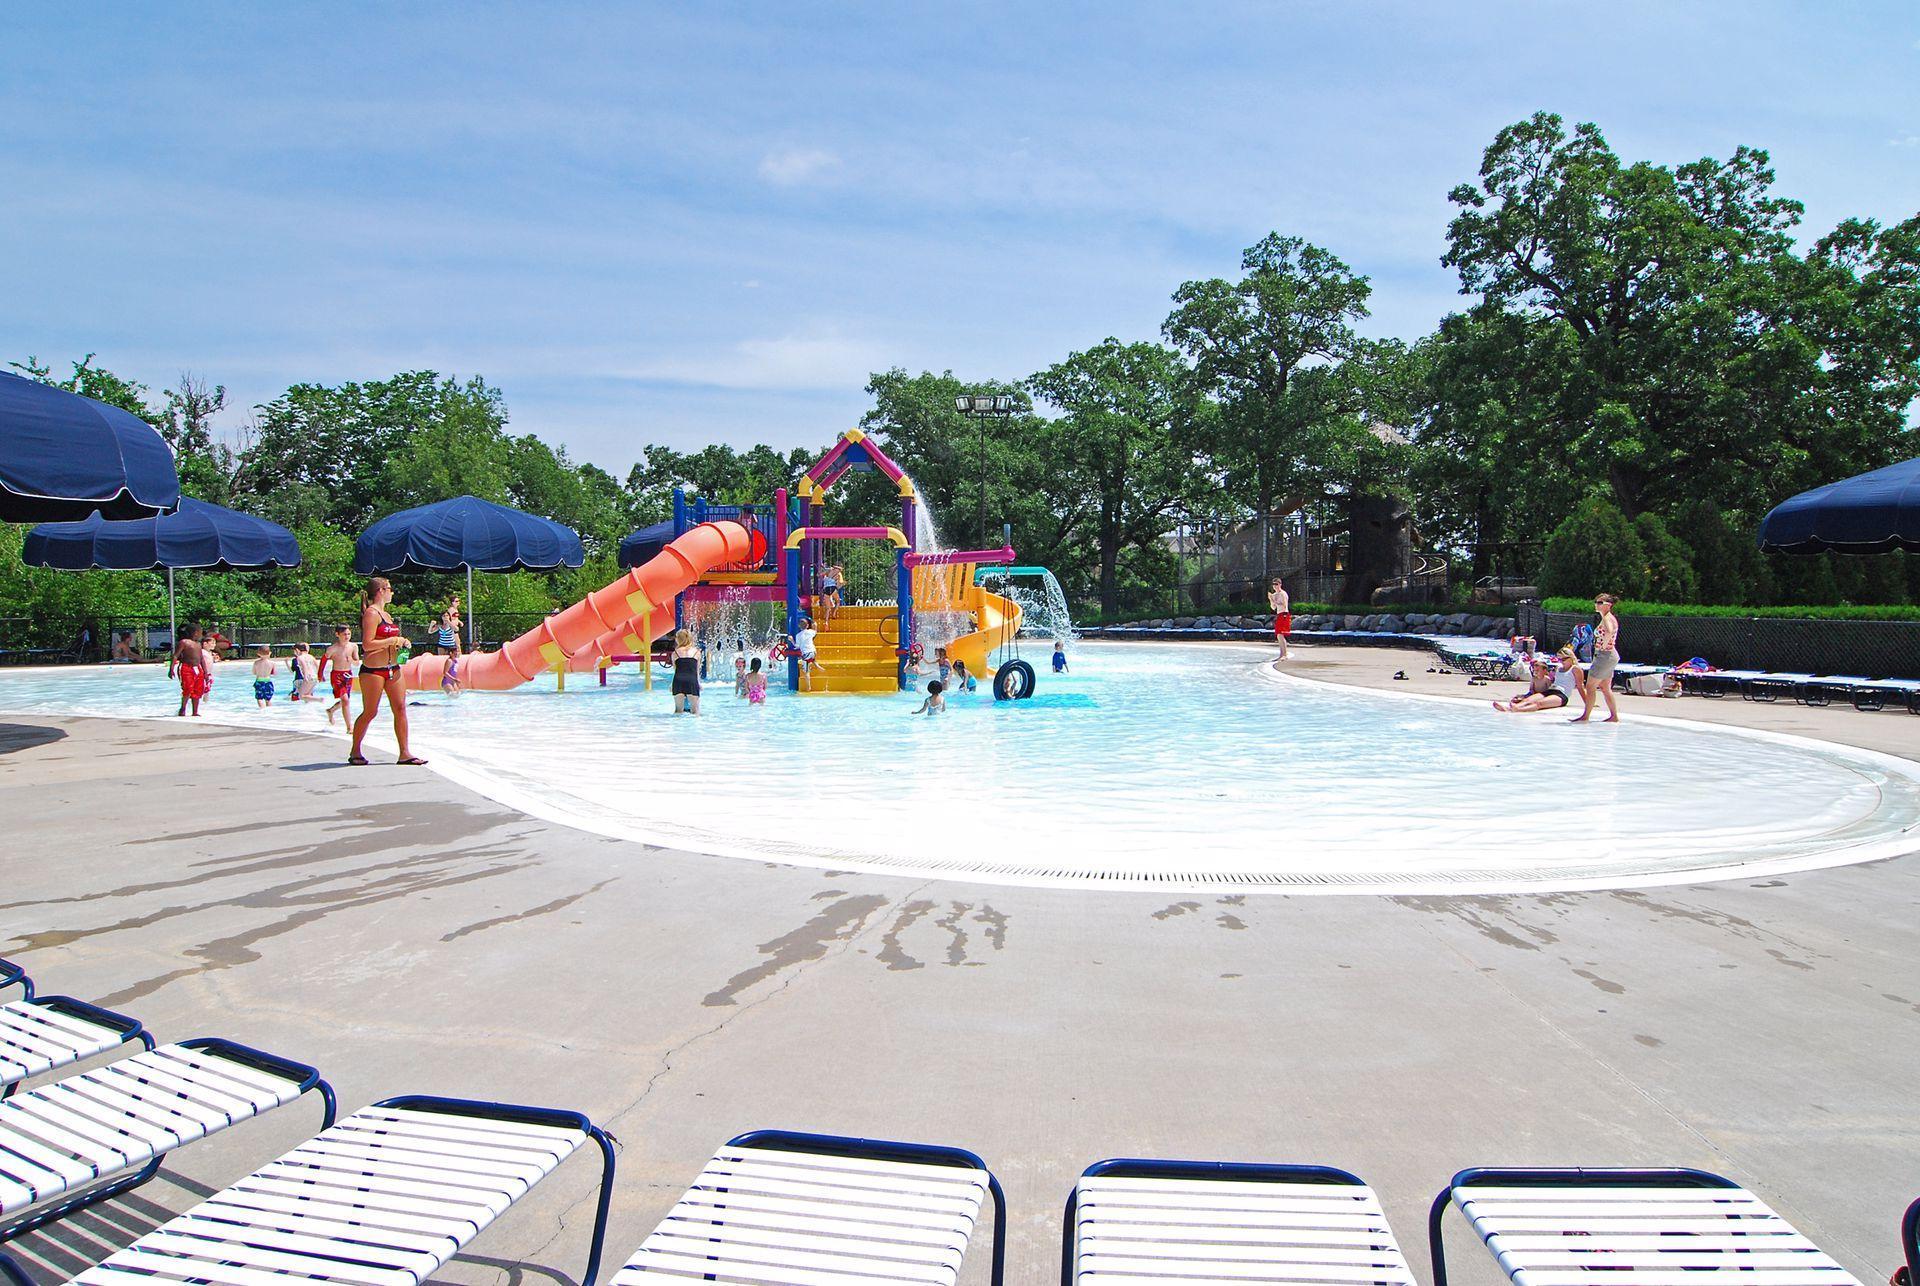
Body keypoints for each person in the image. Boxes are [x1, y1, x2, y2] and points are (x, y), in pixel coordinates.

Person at [348, 576, 426, 766]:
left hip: (393, 668)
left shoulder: (387, 615)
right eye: (390, 588)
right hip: (374, 670)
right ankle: (355, 750)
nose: (392, 592)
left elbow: (390, 640)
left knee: (400, 709)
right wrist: (392, 641)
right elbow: (367, 645)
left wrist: (403, 643)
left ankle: (405, 753)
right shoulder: (372, 614)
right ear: (381, 591)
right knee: (370, 711)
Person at [1573, 593, 1622, 724]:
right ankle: (1614, 716)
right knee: (1605, 687)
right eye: (1596, 602)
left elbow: (1610, 631)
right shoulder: (1606, 617)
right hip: (1609, 655)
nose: (1597, 605)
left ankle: (1586, 716)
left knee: (1590, 686)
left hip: (1605, 655)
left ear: (1608, 605)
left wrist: (1603, 645)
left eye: (1600, 603)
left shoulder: (1607, 618)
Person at [1494, 649, 1580, 713]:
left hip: (1562, 695)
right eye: (1559, 659)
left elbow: (1581, 686)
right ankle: (1513, 707)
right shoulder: (1559, 668)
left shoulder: (1575, 669)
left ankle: (1515, 709)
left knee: (1539, 704)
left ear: (1570, 658)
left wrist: (1588, 704)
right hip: (1550, 690)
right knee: (1527, 700)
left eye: (1563, 659)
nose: (1561, 662)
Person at [319, 625, 359, 725]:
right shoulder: (332, 648)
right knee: (345, 700)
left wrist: (352, 661)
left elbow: (357, 662)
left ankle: (331, 710)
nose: (347, 636)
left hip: (348, 675)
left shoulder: (353, 646)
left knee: (345, 701)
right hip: (337, 676)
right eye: (344, 634)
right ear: (337, 634)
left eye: (349, 634)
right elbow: (323, 660)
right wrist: (320, 674)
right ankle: (349, 727)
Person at [171, 625, 209, 717]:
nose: (201, 634)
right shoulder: (184, 642)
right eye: (200, 632)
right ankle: (183, 709)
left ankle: (195, 711)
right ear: (195, 633)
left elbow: (201, 659)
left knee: (198, 689)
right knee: (187, 689)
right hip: (186, 668)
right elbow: (175, 656)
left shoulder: (198, 644)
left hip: (197, 668)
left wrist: (205, 672)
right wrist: (171, 668)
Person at [670, 628, 702, 714]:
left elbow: (676, 670)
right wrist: (698, 683)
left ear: (679, 639)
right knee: (695, 711)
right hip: (692, 680)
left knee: (678, 710)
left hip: (678, 680)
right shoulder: (697, 652)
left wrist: (671, 684)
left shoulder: (675, 653)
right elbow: (696, 671)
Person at [795, 617, 825, 691]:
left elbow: (797, 646)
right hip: (813, 652)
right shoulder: (811, 632)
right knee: (811, 658)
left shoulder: (798, 635)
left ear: (799, 626)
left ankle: (808, 687)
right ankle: (817, 666)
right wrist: (812, 621)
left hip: (806, 654)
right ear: (807, 626)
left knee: (806, 672)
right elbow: (815, 627)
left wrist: (792, 640)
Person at [1268, 577, 1292, 660]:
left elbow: (1284, 605)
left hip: (1284, 614)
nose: (1275, 586)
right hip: (1279, 614)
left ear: (1280, 584)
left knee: (1281, 634)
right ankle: (1281, 654)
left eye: (1276, 584)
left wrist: (1274, 601)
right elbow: (1273, 608)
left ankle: (1284, 654)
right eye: (1273, 584)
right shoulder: (1274, 595)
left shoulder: (1283, 593)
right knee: (1278, 635)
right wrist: (1271, 600)